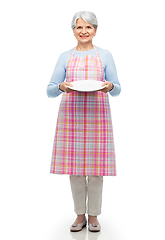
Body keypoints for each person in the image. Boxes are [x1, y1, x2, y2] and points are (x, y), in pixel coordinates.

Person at [47, 11, 121, 232]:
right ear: (73, 31)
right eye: (79, 27)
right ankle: (80, 215)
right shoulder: (64, 56)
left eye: (88, 27)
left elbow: (117, 88)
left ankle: (94, 215)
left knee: (96, 171)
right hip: (71, 118)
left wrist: (110, 86)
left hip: (98, 118)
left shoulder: (105, 55)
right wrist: (61, 87)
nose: (84, 31)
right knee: (76, 170)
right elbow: (50, 90)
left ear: (95, 31)